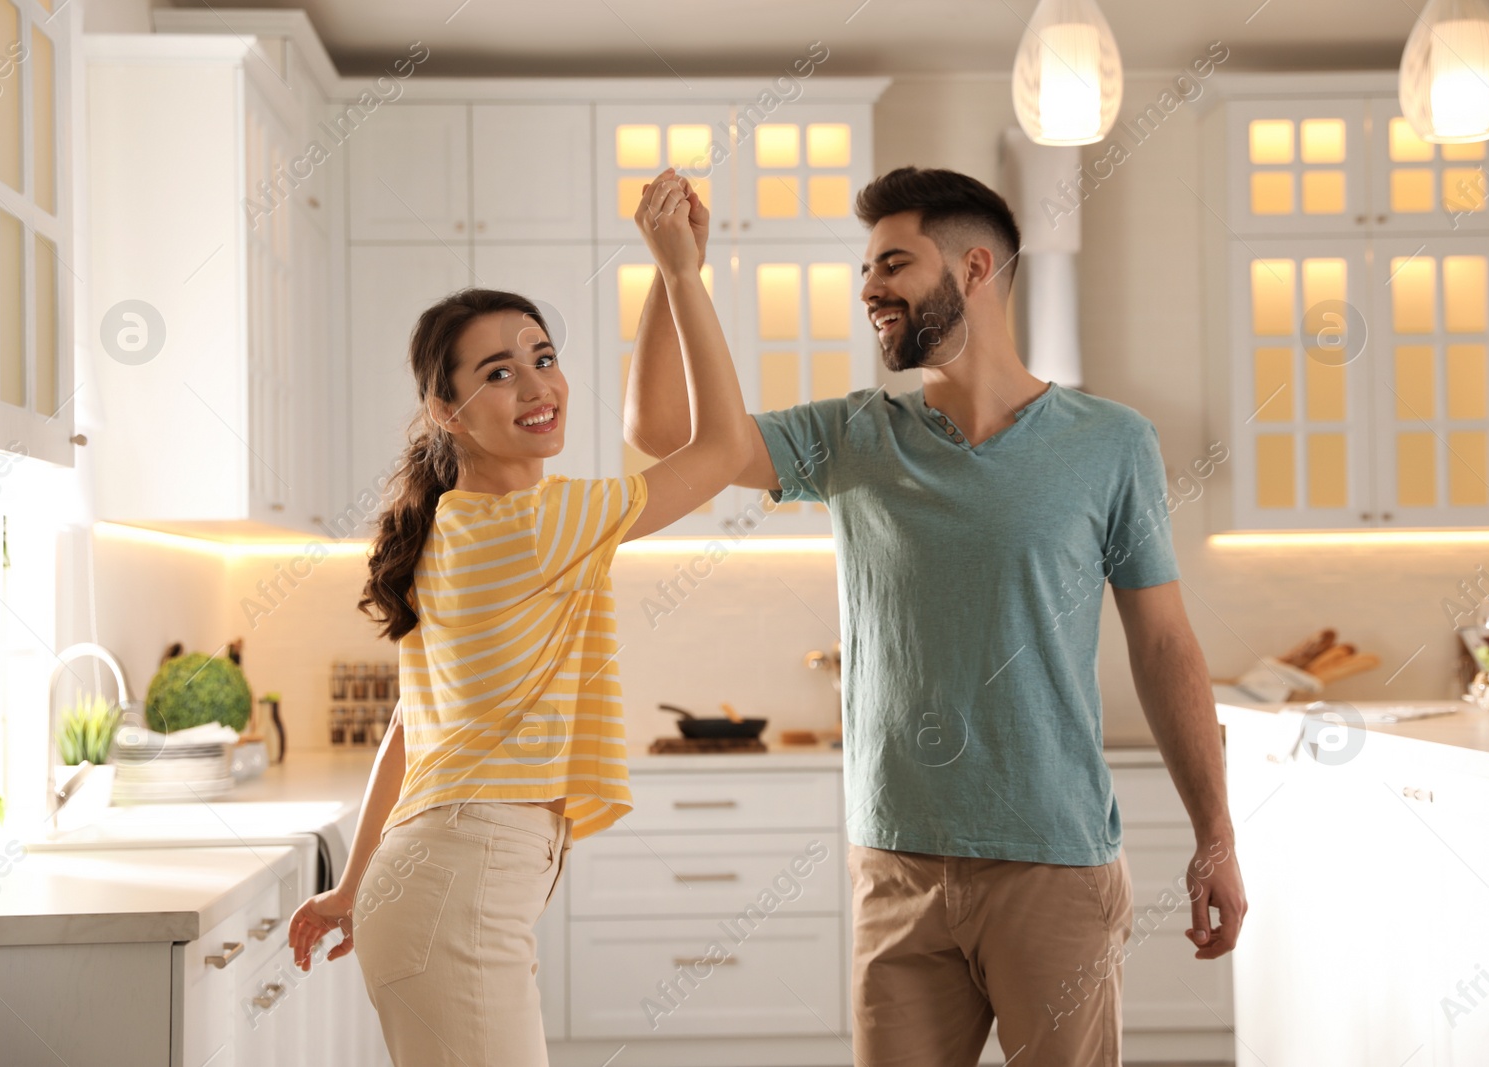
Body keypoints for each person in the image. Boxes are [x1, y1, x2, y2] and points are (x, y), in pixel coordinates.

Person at [623, 165, 1247, 1066]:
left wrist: (1215, 836)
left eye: (894, 263)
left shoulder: (1112, 443)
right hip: (895, 864)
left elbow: (1162, 642)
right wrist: (676, 272)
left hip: (1054, 862)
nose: (870, 288)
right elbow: (665, 427)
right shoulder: (850, 436)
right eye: (866, 269)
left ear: (975, 268)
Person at [286, 170, 748, 1066]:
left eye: (543, 356)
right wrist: (687, 277)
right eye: (499, 372)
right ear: (445, 408)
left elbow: (410, 731)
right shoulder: (537, 522)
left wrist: (352, 881)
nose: (538, 385)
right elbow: (723, 445)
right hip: (460, 885)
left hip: (433, 880)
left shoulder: (453, 522)